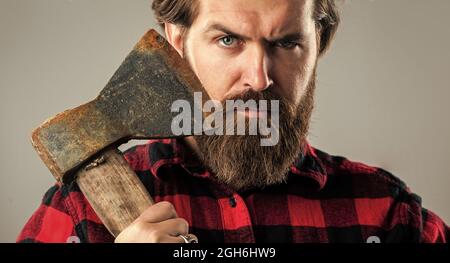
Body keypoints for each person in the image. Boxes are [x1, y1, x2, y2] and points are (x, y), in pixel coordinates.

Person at [17, 0, 448, 243]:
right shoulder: (77, 213)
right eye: (228, 40)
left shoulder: (388, 215)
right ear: (177, 41)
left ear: (319, 46)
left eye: (287, 43)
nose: (259, 78)